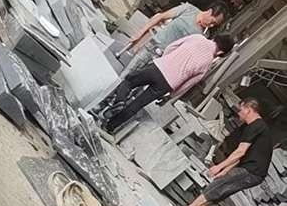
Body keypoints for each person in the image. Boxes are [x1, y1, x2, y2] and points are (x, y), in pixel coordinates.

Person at [98, 30, 235, 132]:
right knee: (138, 104)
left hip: (159, 67)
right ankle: (110, 126)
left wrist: (165, 59)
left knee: (129, 81)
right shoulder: (207, 63)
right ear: (220, 52)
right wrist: (171, 96)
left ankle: (119, 101)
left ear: (216, 37)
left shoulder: (197, 37)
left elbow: (172, 46)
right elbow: (188, 84)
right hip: (167, 84)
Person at [182, 98, 273, 206]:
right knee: (223, 190)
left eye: (240, 110)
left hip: (251, 171)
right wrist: (224, 171)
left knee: (218, 186)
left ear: (248, 109)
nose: (238, 113)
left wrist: (218, 167)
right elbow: (242, 157)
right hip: (254, 173)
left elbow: (240, 152)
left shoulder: (255, 126)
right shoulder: (258, 127)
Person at [125, 0, 229, 71]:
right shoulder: (188, 9)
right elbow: (161, 17)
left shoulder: (203, 35)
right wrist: (140, 33)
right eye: (212, 21)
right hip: (153, 45)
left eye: (214, 25)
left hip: (163, 60)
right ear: (209, 12)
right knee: (128, 72)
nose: (211, 25)